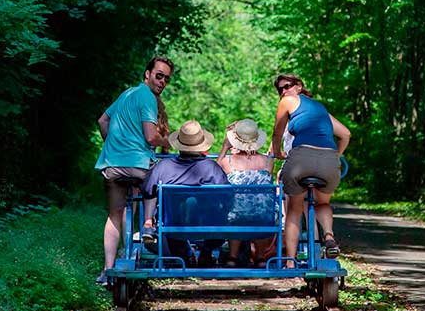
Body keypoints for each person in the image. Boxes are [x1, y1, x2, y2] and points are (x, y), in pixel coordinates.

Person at [94, 56, 174, 284]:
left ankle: (108, 270)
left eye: (166, 79)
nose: (162, 82)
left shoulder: (126, 94)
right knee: (158, 174)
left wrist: (113, 145)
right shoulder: (147, 97)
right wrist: (169, 142)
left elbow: (102, 121)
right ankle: (148, 224)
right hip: (137, 165)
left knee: (114, 215)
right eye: (159, 76)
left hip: (111, 166)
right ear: (147, 74)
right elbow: (151, 136)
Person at [269, 73, 350, 267]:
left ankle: (290, 262)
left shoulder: (288, 101)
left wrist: (278, 153)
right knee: (322, 204)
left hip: (301, 158)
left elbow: (277, 132)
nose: (283, 92)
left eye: (286, 86)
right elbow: (346, 134)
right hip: (329, 161)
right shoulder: (319, 108)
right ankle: (329, 236)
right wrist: (335, 156)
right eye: (279, 89)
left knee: (294, 209)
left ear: (298, 86)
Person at [141, 120, 229, 267]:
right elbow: (227, 196)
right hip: (208, 225)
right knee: (220, 215)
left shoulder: (164, 166)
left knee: (172, 217)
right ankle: (206, 252)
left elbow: (147, 191)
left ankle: (185, 255)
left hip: (173, 226)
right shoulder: (211, 168)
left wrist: (149, 218)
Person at [216, 118, 276, 267]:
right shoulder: (268, 161)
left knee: (236, 211)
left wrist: (224, 147)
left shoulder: (228, 161)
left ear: (235, 141)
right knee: (259, 208)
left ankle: (232, 257)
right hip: (264, 216)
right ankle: (261, 257)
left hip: (236, 215)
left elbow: (215, 170)